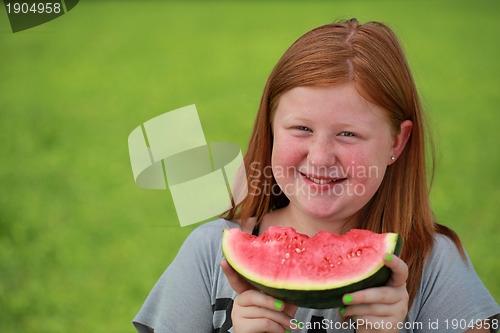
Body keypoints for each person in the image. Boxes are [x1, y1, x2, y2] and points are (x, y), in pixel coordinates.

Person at [132, 19, 500, 333]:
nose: (321, 157)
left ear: (397, 142)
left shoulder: (435, 265)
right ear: (272, 130)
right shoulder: (211, 253)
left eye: (349, 134)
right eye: (301, 128)